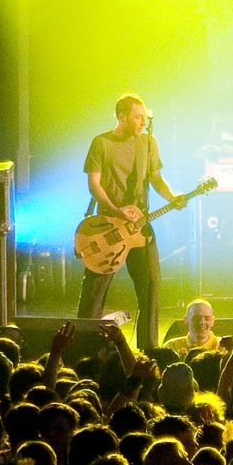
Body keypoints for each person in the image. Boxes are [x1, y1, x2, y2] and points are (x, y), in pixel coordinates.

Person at [78, 93, 184, 352]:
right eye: (137, 117)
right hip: (107, 228)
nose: (142, 122)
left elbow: (156, 179)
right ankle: (84, 349)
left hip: (139, 228)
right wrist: (116, 209)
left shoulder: (149, 143)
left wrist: (172, 196)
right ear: (122, 117)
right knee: (95, 292)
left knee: (150, 287)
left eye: (144, 117)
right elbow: (94, 183)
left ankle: (149, 350)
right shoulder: (101, 143)